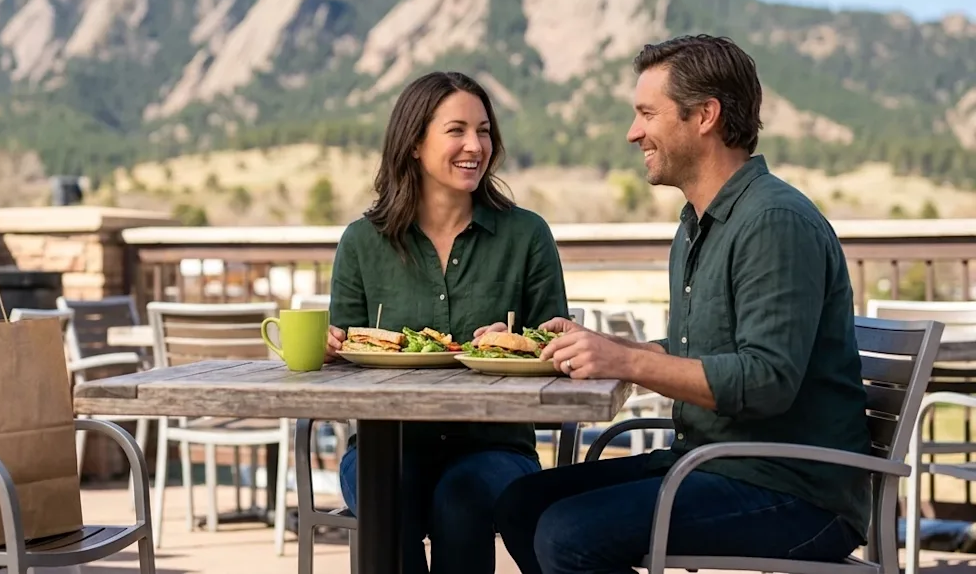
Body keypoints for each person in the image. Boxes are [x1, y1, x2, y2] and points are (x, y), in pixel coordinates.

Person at [485, 35, 873, 574]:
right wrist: (610, 347)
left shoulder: (774, 223)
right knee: (522, 505)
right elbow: (706, 351)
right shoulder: (698, 224)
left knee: (569, 534)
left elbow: (765, 381)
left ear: (705, 116)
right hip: (713, 463)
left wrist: (627, 363)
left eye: (647, 113)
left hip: (794, 490)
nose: (633, 132)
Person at [324, 70, 571, 574]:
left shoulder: (527, 235)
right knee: (388, 497)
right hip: (383, 445)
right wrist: (329, 349)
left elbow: (559, 344)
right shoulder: (361, 244)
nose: (475, 145)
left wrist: (521, 342)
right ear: (414, 142)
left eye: (483, 131)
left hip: (496, 446)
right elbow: (345, 356)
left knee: (461, 500)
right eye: (456, 130)